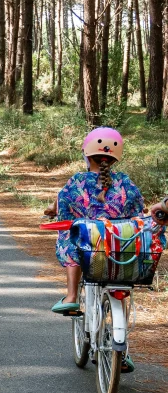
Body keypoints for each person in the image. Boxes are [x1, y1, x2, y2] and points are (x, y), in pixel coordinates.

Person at [48, 127, 168, 371]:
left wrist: (52, 210)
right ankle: (119, 346)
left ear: (86, 154)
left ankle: (71, 296)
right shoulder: (126, 183)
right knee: (119, 283)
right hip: (119, 250)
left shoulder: (77, 182)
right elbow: (137, 211)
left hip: (90, 247)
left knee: (69, 236)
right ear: (115, 157)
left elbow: (62, 204)